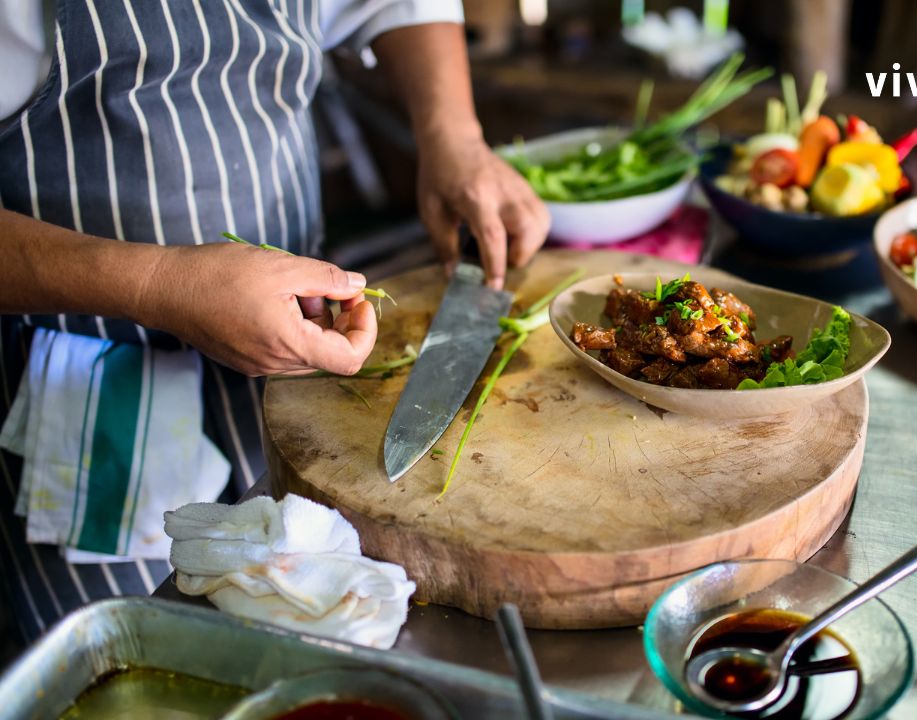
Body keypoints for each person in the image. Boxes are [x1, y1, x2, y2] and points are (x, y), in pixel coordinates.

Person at [0, 0, 549, 646]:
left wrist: (453, 134)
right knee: (149, 664)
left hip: (303, 385)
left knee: (314, 646)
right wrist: (156, 284)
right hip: (92, 406)